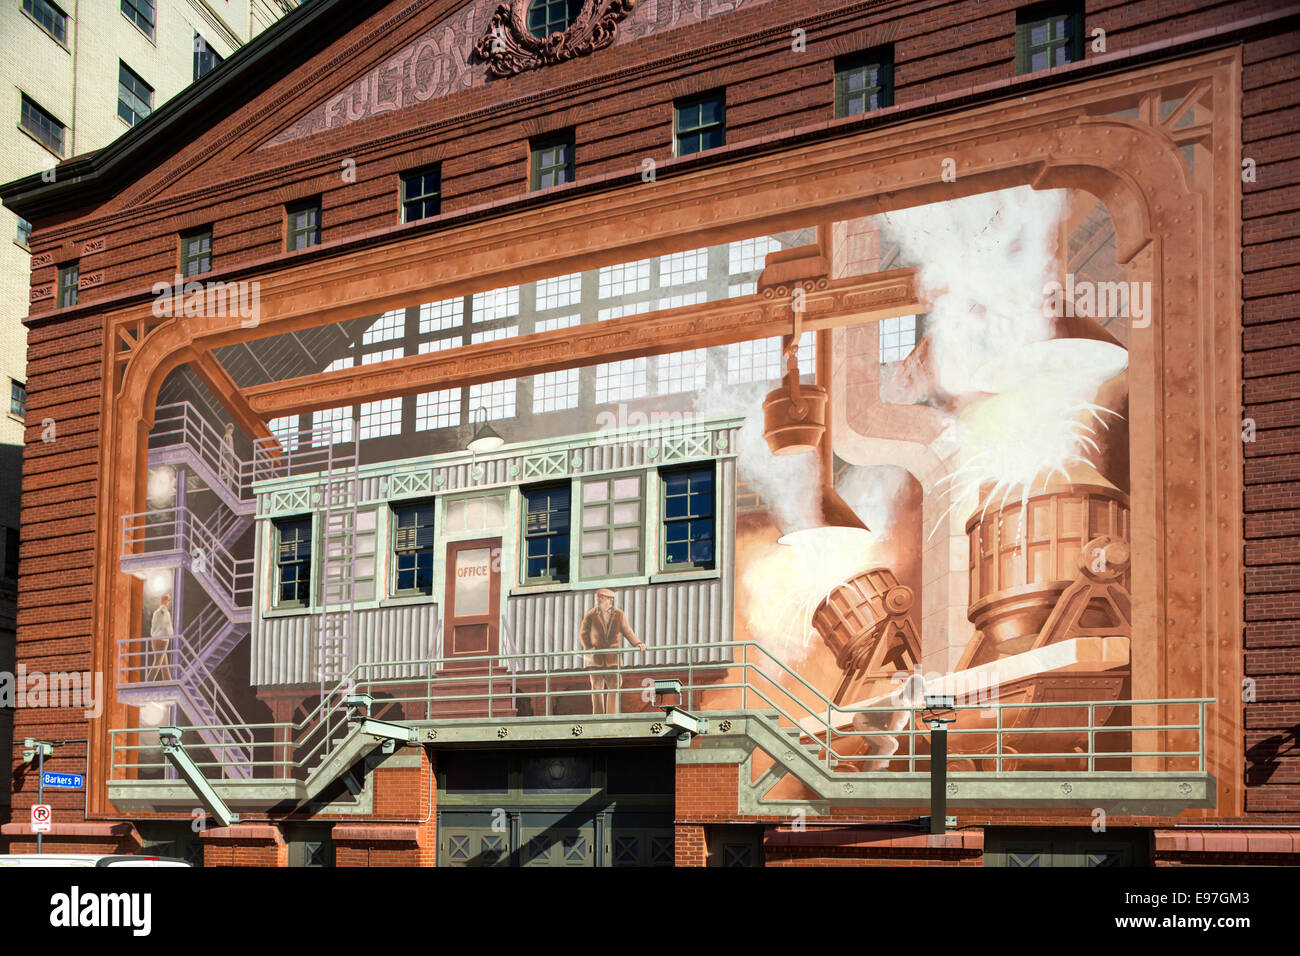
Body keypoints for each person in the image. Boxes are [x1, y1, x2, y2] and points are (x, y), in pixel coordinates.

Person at [578, 588, 645, 715]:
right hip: (595, 658)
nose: (610, 602)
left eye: (612, 599)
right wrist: (589, 647)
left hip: (613, 658)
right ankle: (598, 716)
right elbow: (583, 634)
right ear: (600, 599)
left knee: (614, 686)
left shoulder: (619, 614)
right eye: (607, 599)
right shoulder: (591, 614)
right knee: (596, 688)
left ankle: (611, 715)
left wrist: (638, 643)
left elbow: (627, 631)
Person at [149, 594, 174, 682]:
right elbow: (169, 628)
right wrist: (170, 635)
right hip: (163, 640)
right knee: (158, 662)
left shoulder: (156, 613)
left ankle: (168, 681)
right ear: (165, 601)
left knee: (164, 664)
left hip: (155, 640)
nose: (169, 602)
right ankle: (149, 681)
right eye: (169, 600)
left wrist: (154, 635)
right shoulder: (166, 613)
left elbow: (153, 627)